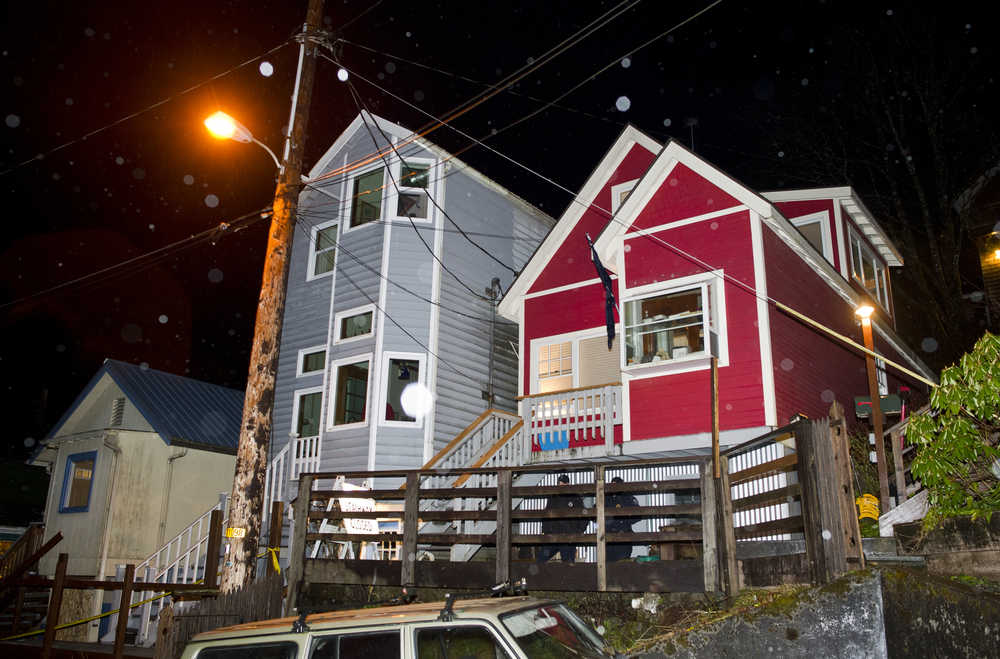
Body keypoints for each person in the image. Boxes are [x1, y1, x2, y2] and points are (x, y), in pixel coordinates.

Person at [537, 474, 587, 563]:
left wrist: (578, 531)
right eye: (559, 484)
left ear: (568, 484)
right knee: (541, 559)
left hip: (568, 536)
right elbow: (547, 513)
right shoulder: (553, 497)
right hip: (553, 535)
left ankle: (570, 576)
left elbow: (584, 514)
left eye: (563, 484)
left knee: (568, 562)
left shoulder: (575, 497)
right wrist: (546, 530)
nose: (561, 486)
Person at [605, 476, 639, 562]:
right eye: (612, 485)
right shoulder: (606, 498)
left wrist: (623, 520)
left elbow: (638, 515)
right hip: (608, 537)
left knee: (622, 564)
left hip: (623, 536)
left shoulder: (628, 498)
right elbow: (595, 513)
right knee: (608, 566)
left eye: (615, 485)